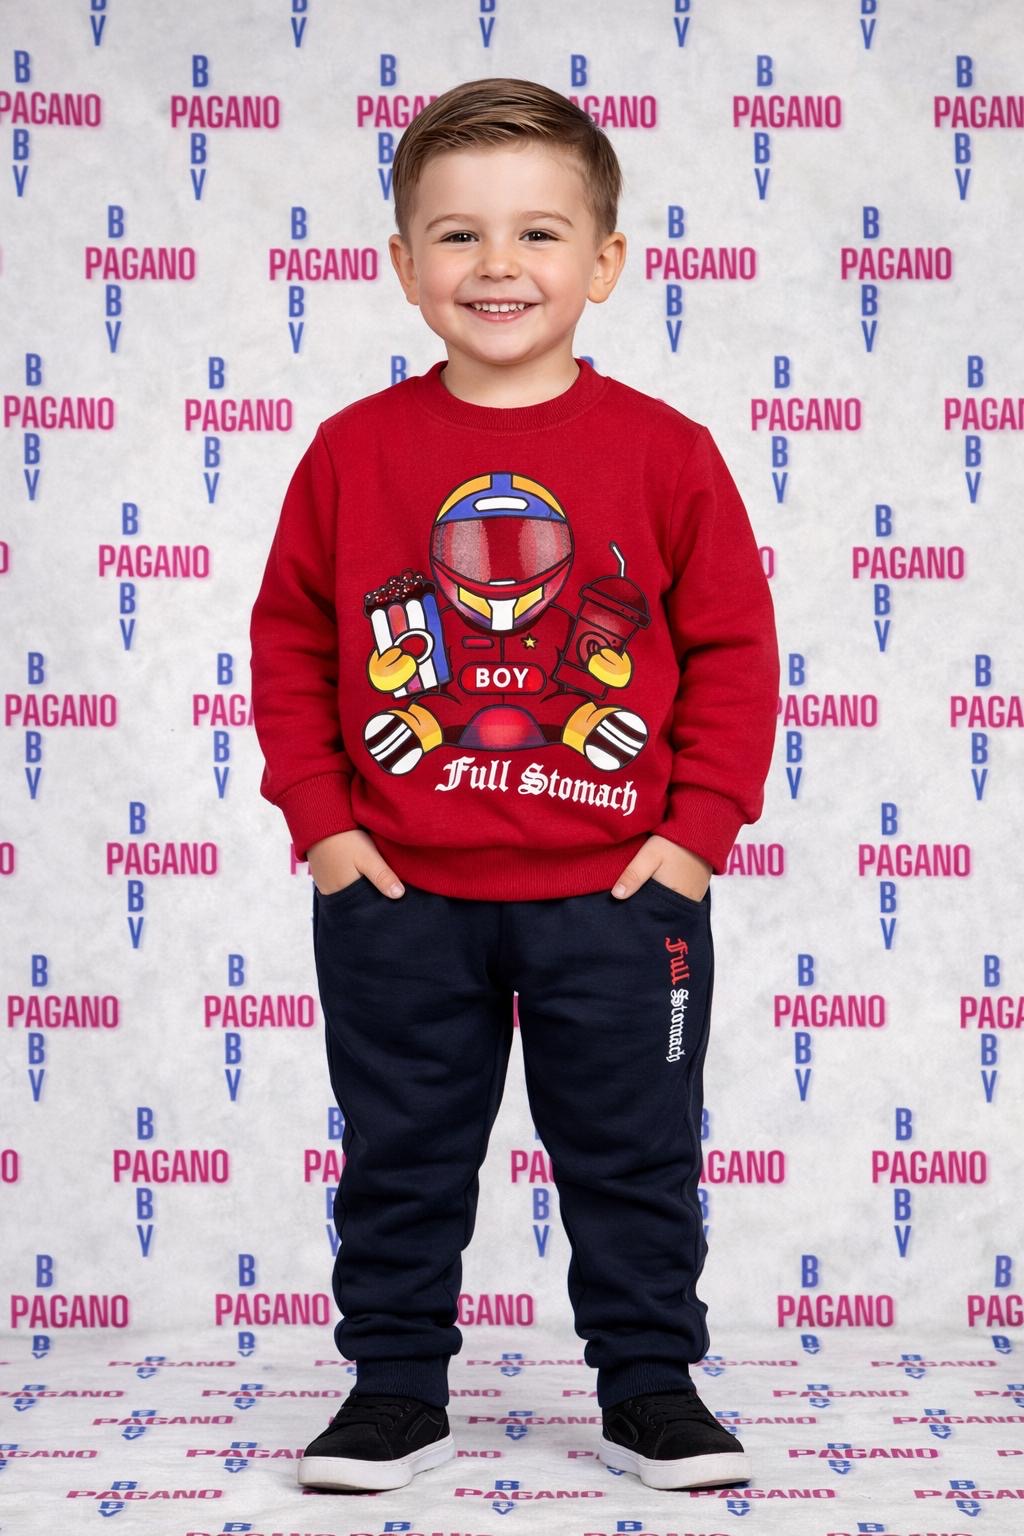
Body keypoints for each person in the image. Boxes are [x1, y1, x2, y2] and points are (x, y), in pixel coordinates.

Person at [249, 76, 779, 1496]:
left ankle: (651, 1387)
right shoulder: (353, 452)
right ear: (402, 262)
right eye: (459, 234)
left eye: (539, 233)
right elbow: (290, 639)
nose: (499, 265)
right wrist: (326, 827)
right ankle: (393, 1391)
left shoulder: (667, 453)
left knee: (633, 1153)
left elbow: (735, 650)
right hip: (398, 894)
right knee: (402, 1155)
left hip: (620, 897)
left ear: (605, 262)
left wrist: (694, 837)